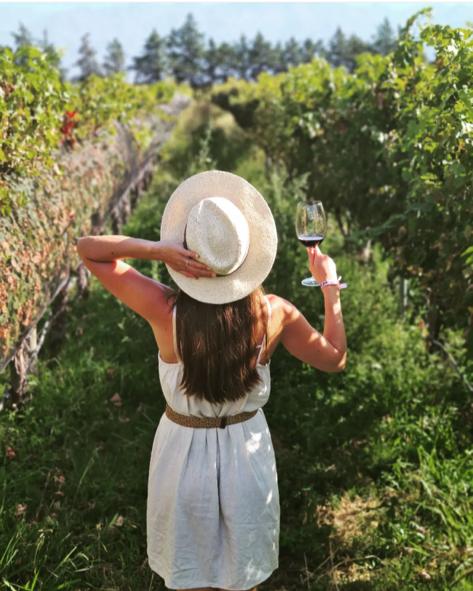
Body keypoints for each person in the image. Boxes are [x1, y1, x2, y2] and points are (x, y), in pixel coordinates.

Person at [76, 169, 347, 591]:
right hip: (246, 454)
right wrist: (329, 286)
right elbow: (335, 358)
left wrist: (159, 251)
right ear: (247, 255)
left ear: (189, 251)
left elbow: (89, 250)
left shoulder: (165, 312)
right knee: (242, 575)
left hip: (182, 455)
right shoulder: (273, 314)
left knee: (190, 576)